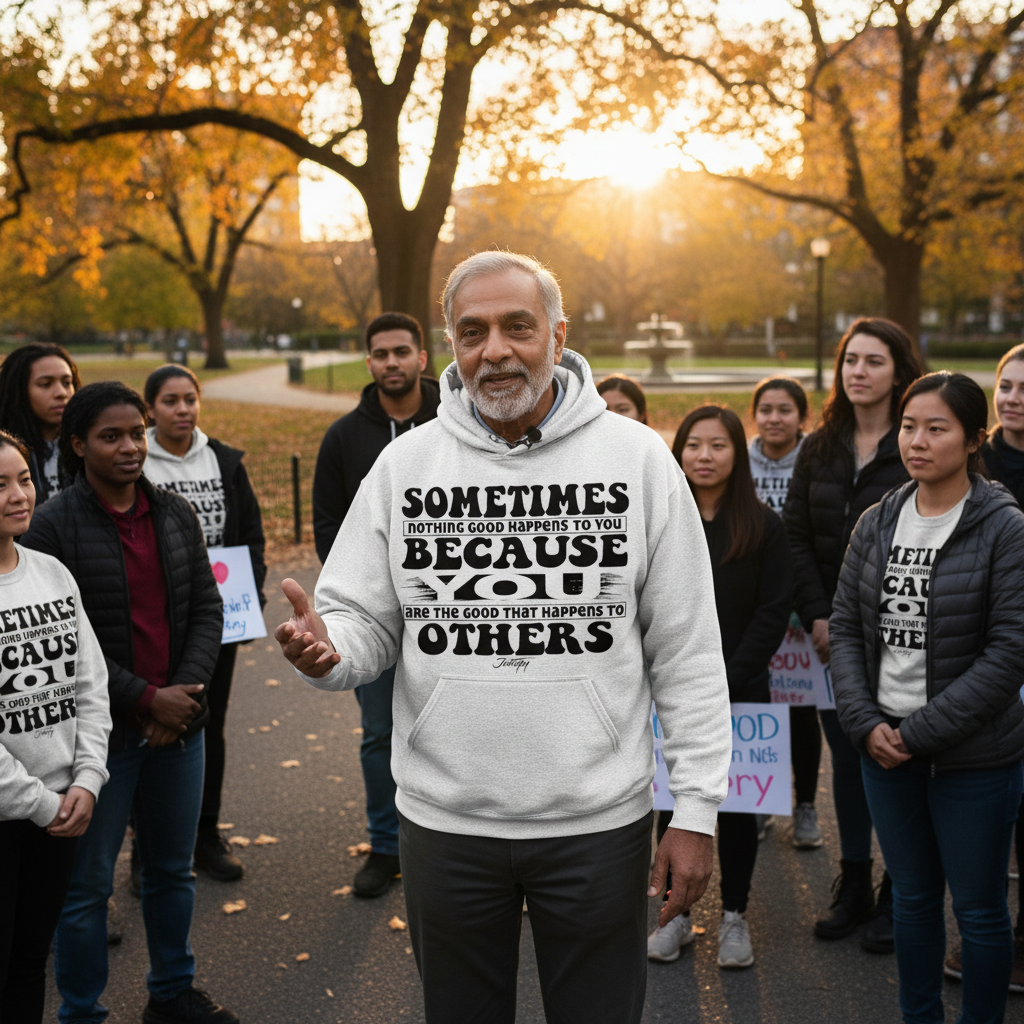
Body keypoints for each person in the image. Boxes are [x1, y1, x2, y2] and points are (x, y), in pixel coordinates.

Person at [278, 251, 733, 1023]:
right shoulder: (405, 466)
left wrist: (695, 811)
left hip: (598, 822)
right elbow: (360, 621)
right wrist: (332, 652)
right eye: (472, 331)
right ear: (448, 347)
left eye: (517, 327)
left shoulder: (639, 462)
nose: (495, 350)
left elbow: (686, 651)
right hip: (445, 822)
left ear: (557, 336)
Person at [22, 382, 234, 1024]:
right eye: (111, 436)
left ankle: (172, 992)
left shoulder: (174, 513)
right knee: (85, 891)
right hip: (98, 742)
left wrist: (185, 698)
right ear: (79, 445)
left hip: (179, 732)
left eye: (137, 433)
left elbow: (207, 608)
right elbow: (66, 644)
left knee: (171, 872)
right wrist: (146, 700)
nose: (130, 446)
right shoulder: (51, 527)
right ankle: (81, 1011)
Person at [830, 371, 1024, 1024]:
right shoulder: (876, 522)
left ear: (974, 439)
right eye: (909, 426)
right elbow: (849, 632)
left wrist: (918, 732)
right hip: (883, 752)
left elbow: (1008, 653)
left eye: (936, 428)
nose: (917, 440)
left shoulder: (1004, 528)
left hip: (975, 760)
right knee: (912, 900)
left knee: (978, 910)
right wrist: (864, 724)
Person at [783, 317, 923, 953]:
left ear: (899, 371)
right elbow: (793, 537)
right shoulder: (821, 445)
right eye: (850, 361)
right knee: (847, 760)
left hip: (899, 636)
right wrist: (818, 614)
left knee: (897, 758)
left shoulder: (916, 445)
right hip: (827, 637)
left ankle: (902, 890)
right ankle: (856, 882)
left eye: (873, 361)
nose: (858, 372)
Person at [647, 406, 791, 968]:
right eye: (693, 445)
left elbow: (773, 611)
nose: (704, 457)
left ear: (739, 453)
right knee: (672, 804)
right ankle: (674, 917)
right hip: (669, 693)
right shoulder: (659, 519)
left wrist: (722, 679)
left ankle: (735, 916)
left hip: (742, 690)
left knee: (734, 811)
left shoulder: (764, 527)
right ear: (678, 450)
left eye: (719, 446)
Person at [311, 311, 440, 898]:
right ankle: (385, 846)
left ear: (421, 357)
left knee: (452, 724)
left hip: (453, 613)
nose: (392, 362)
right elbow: (329, 529)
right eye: (381, 354)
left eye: (402, 352)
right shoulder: (344, 437)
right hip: (376, 617)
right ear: (369, 362)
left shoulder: (456, 418)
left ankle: (444, 843)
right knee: (379, 733)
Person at [0, 430, 111, 1024]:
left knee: (27, 965)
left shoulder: (50, 573)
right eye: (0, 484)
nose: (20, 494)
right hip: (20, 813)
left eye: (23, 478)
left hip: (62, 810)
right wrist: (42, 804)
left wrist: (88, 777)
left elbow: (89, 684)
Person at [144, 364, 267, 882]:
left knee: (207, 721)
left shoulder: (223, 460)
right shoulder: (136, 460)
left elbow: (251, 534)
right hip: (153, 619)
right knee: (149, 724)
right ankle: (150, 844)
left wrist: (249, 588)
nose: (182, 409)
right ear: (150, 408)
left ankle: (204, 833)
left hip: (219, 613)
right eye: (170, 401)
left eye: (190, 399)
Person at [748, 377, 824, 849]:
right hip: (754, 608)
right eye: (766, 409)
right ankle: (762, 804)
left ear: (802, 417)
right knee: (758, 709)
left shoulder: (815, 462)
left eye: (785, 410)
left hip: (801, 611)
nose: (775, 418)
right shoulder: (740, 460)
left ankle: (806, 807)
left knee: (801, 713)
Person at [974, 341, 1024, 991]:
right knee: (993, 805)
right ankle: (994, 934)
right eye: (1007, 385)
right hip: (983, 649)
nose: (1014, 396)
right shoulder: (977, 459)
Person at [0, 342, 80, 503]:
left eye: (66, 383)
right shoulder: (5, 451)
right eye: (45, 384)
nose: (61, 393)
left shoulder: (88, 446)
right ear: (18, 391)